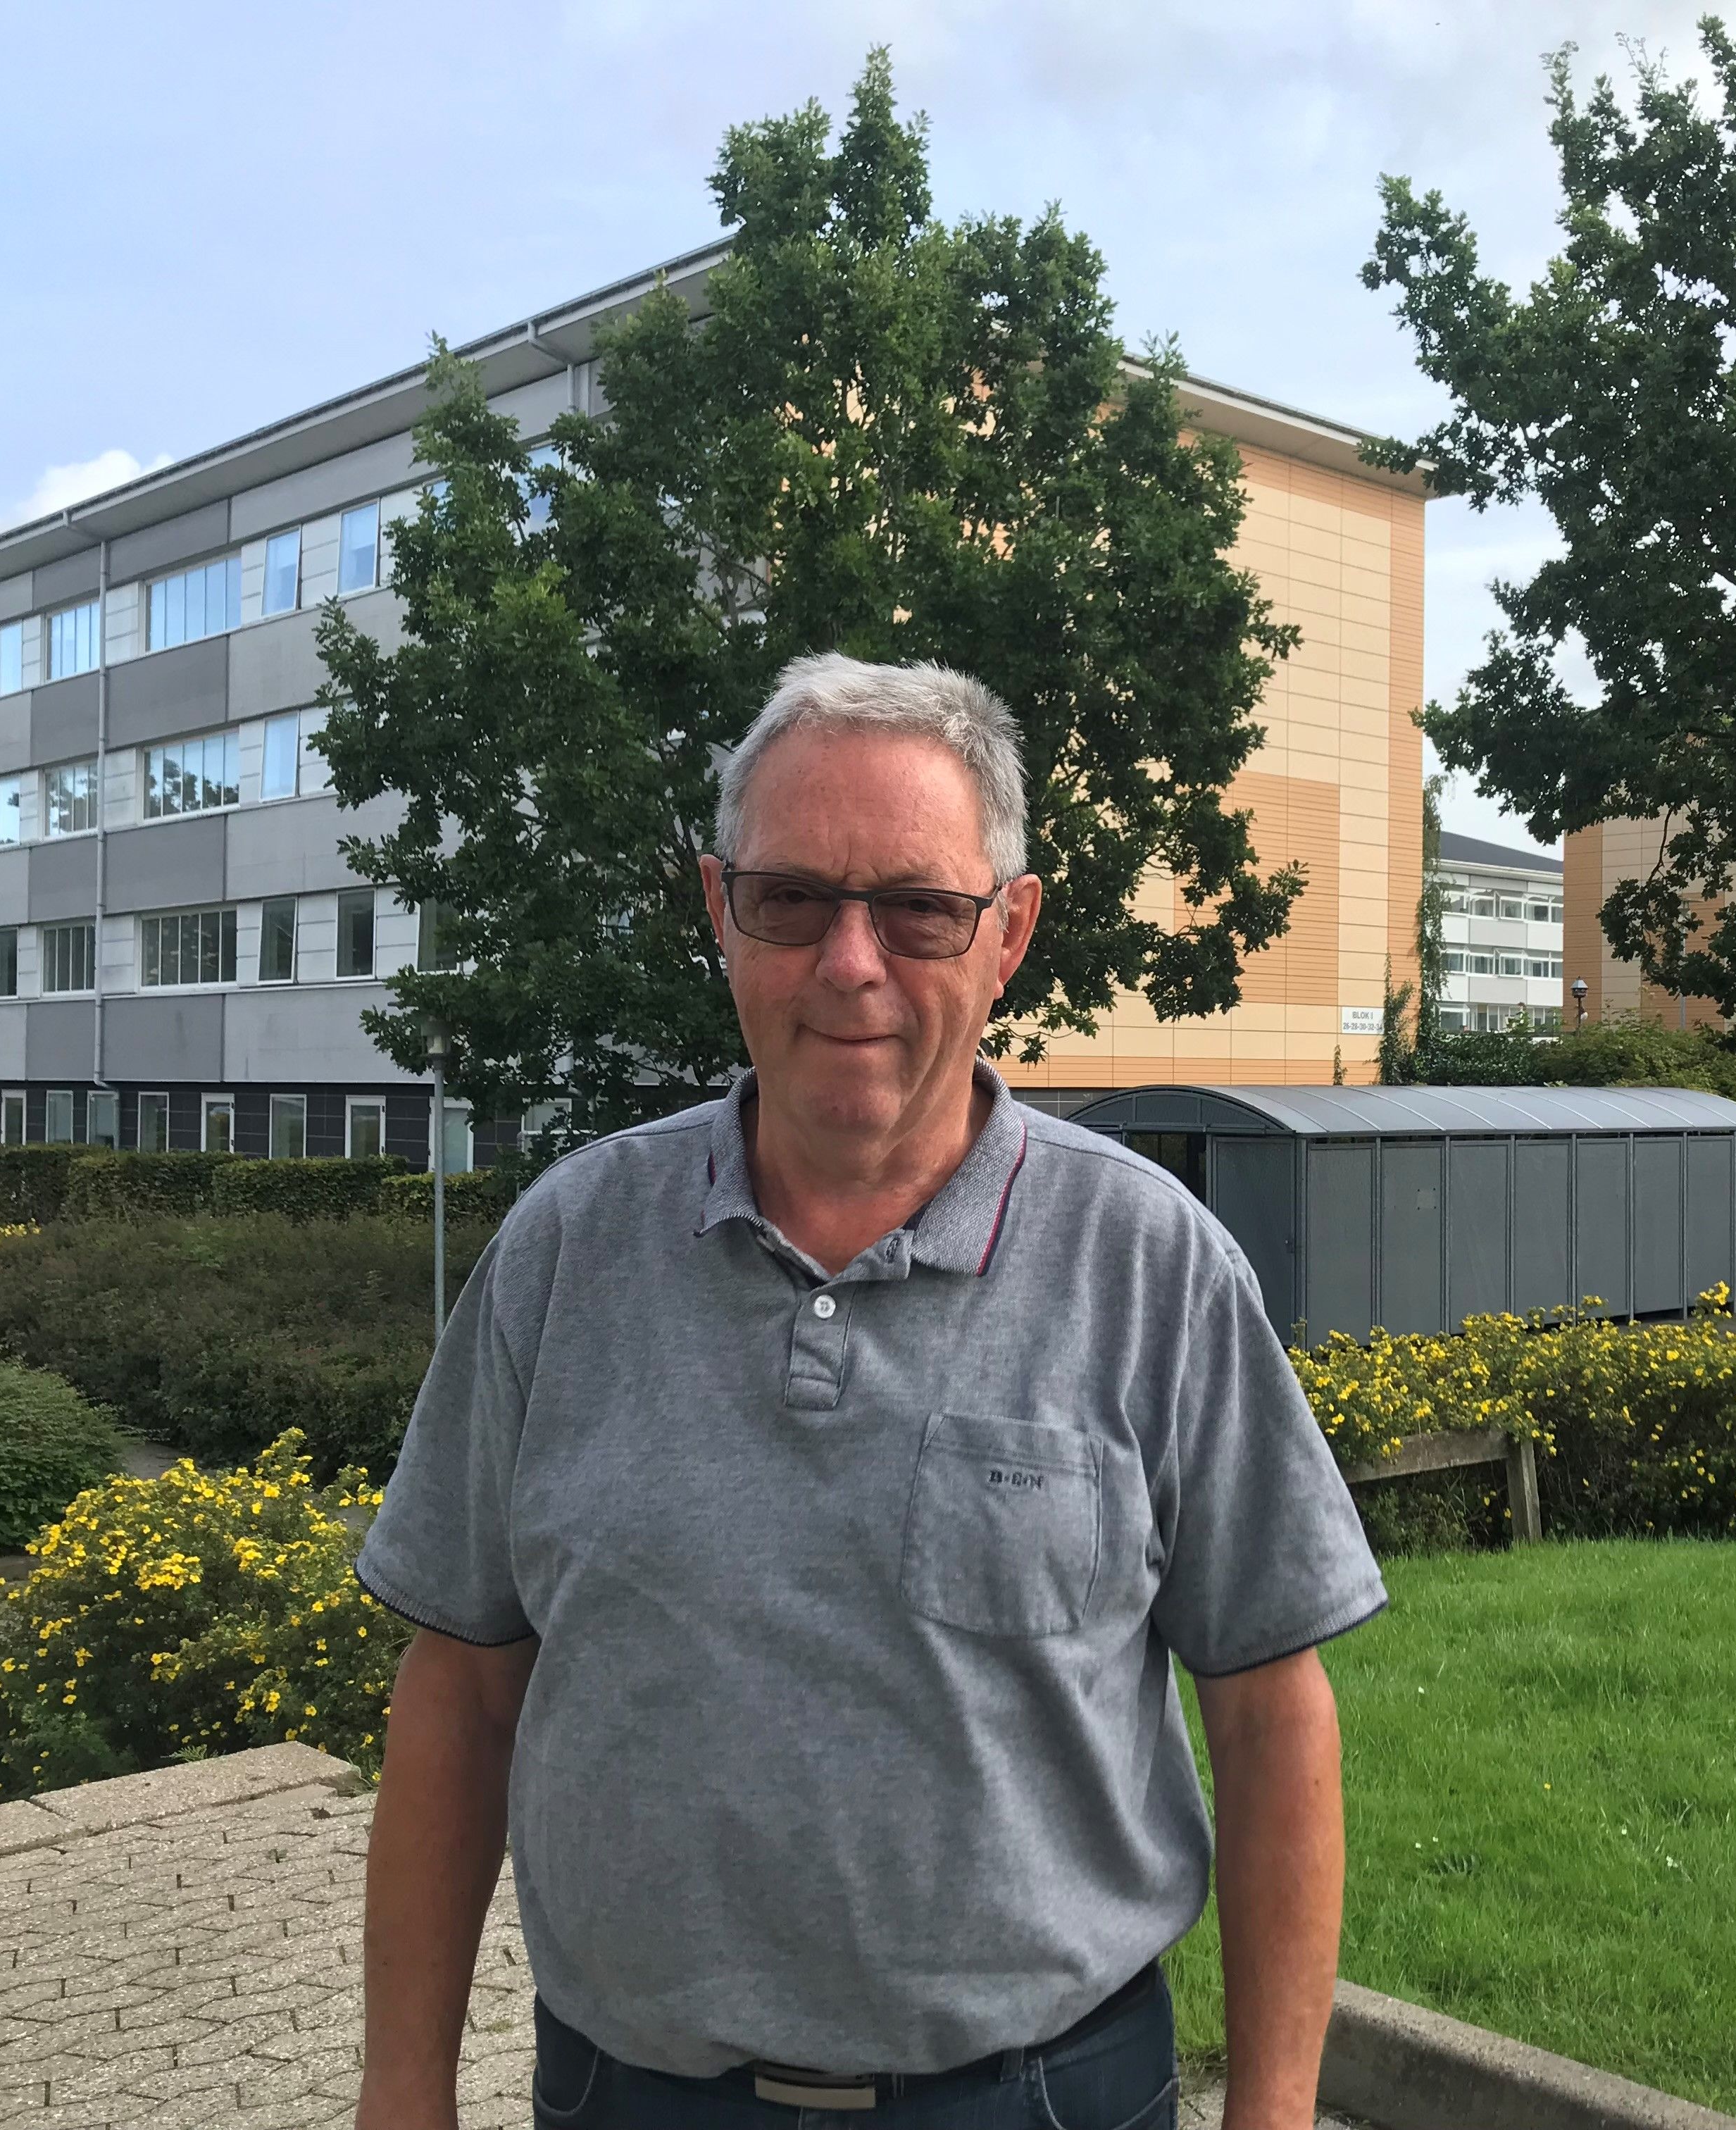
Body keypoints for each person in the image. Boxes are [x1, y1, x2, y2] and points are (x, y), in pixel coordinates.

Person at [353, 654, 1387, 2130]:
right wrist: (404, 2094)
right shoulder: (566, 1251)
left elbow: (1274, 1715)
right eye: (791, 900)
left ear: (1009, 932)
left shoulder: (1153, 1268)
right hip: (629, 2099)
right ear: (720, 911)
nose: (851, 963)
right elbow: (459, 1692)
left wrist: (1273, 2115)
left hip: (1045, 2100)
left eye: (917, 908)